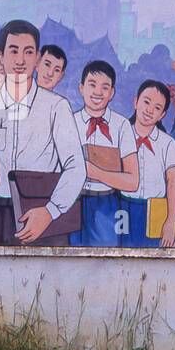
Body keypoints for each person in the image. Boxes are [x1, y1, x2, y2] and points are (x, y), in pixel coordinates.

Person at [0, 20, 84, 245]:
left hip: (44, 217)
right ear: (0, 56)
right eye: (13, 51)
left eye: (28, 52)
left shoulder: (57, 107)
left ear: (37, 58)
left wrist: (50, 211)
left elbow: (76, 166)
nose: (20, 60)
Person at [71, 60, 138, 246]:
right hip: (71, 201)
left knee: (105, 258)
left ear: (112, 93)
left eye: (105, 87)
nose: (98, 92)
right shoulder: (68, 121)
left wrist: (94, 172)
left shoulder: (122, 125)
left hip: (107, 205)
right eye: (92, 85)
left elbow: (133, 181)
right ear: (81, 88)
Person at [118, 80, 175, 248]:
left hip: (154, 210)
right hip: (121, 207)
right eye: (146, 102)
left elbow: (174, 184)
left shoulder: (168, 144)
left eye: (157, 107)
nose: (149, 110)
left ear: (162, 114)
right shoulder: (119, 135)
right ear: (135, 102)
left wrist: (171, 222)